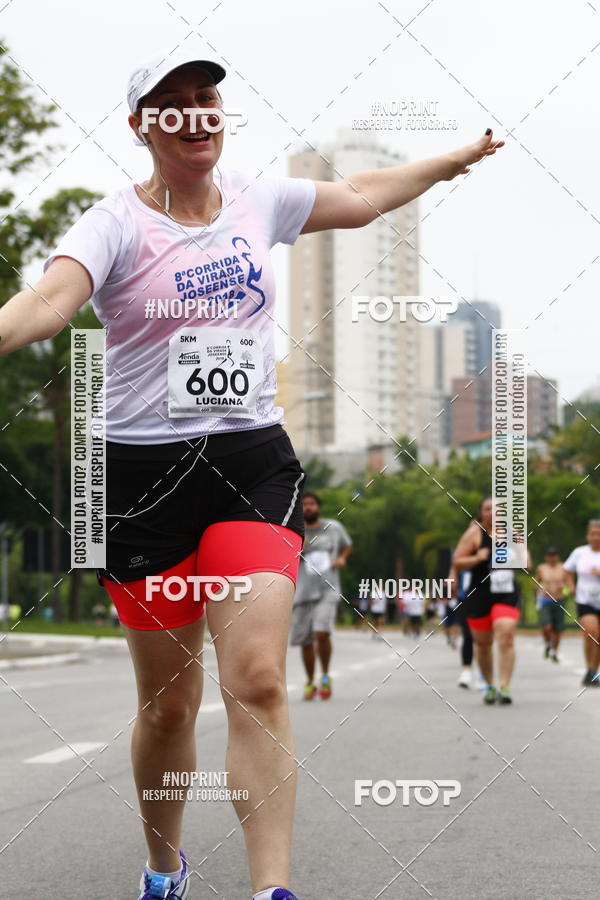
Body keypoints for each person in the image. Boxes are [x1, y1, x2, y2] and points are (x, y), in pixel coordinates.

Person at [0, 43, 504, 899]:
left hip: (250, 464)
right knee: (167, 705)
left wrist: (449, 161)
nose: (196, 114)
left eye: (207, 99)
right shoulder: (114, 221)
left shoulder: (258, 200)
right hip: (142, 480)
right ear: (142, 126)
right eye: (174, 103)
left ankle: (272, 889)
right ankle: (165, 866)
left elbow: (359, 196)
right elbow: (51, 301)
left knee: (260, 682)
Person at [453, 498, 530, 705]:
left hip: (506, 593)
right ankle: (488, 685)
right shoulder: (474, 534)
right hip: (479, 595)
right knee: (483, 643)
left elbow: (527, 561)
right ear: (482, 513)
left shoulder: (513, 533)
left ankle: (504, 686)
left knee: (505, 634)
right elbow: (458, 561)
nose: (493, 512)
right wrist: (477, 557)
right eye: (488, 509)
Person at [290, 493, 352, 698]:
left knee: (321, 632)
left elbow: (347, 544)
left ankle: (325, 676)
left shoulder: (333, 527)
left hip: (328, 589)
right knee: (306, 640)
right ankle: (310, 681)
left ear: (318, 507)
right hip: (303, 592)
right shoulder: (293, 531)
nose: (308, 507)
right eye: (304, 505)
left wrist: (342, 558)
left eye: (311, 504)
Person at [563, 520, 600, 687]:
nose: (595, 537)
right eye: (593, 534)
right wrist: (571, 586)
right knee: (591, 632)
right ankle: (590, 669)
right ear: (587, 535)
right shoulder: (579, 553)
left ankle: (593, 670)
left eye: (598, 534)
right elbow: (567, 570)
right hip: (585, 600)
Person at [534, 546, 570, 662]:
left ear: (557, 557)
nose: (552, 558)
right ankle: (547, 644)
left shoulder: (564, 569)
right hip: (546, 601)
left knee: (558, 630)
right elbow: (536, 583)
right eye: (550, 555)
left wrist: (564, 589)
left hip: (559, 600)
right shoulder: (541, 568)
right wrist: (540, 589)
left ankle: (554, 651)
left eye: (554, 555)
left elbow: (570, 588)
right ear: (546, 557)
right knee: (547, 626)